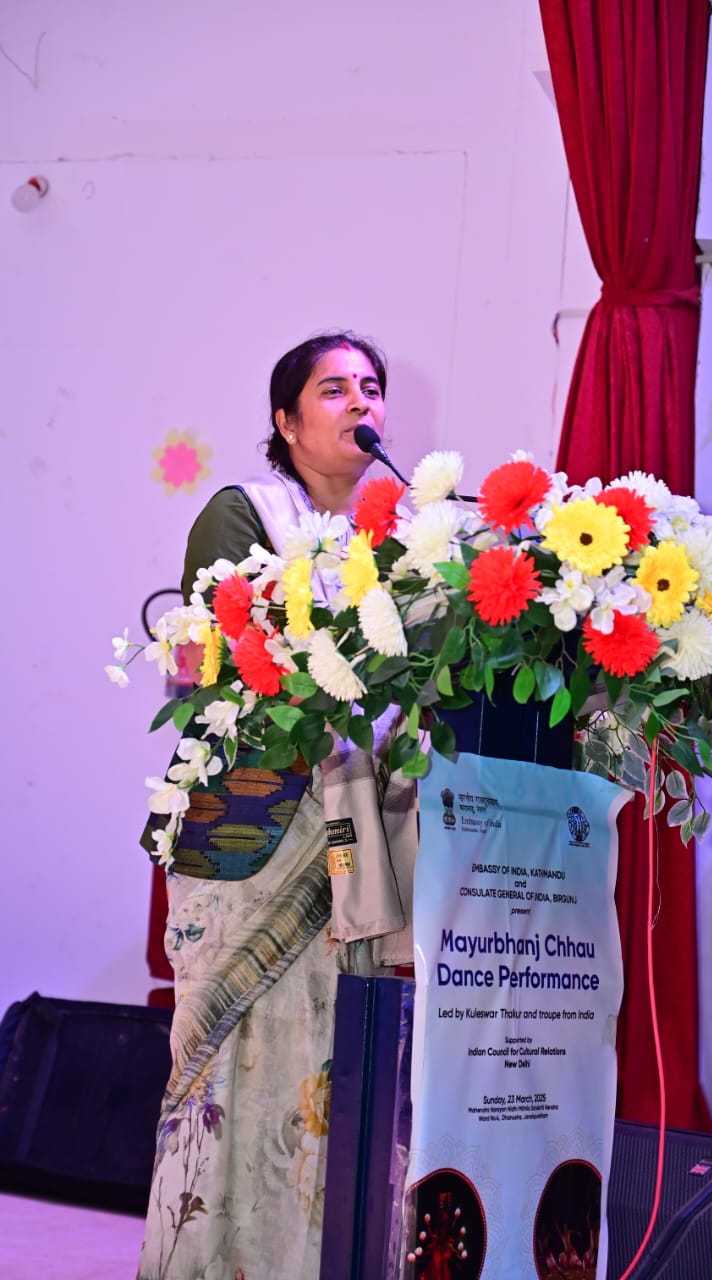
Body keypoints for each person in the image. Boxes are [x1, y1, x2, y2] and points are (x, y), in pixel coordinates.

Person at [137, 331, 406, 1280]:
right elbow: (216, 667)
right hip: (252, 838)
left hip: (365, 850)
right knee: (233, 1086)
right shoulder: (244, 513)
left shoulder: (408, 541)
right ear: (286, 422)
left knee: (337, 1090)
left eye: (370, 388)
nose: (359, 403)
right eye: (332, 390)